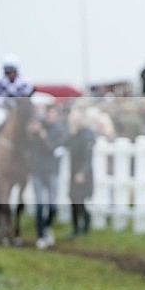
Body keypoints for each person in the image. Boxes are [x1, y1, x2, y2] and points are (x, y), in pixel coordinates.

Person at [26, 104, 67, 249]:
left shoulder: (60, 131)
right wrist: (32, 132)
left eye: (52, 113)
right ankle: (40, 235)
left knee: (52, 205)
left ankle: (47, 227)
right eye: (48, 113)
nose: (49, 115)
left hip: (52, 171)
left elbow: (51, 147)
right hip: (38, 170)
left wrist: (43, 136)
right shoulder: (37, 127)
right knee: (39, 204)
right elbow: (29, 145)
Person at [0, 55, 35, 149]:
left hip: (20, 110)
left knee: (30, 126)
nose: (10, 73)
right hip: (4, 109)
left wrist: (17, 100)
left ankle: (31, 148)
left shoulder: (25, 82)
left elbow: (29, 98)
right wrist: (4, 100)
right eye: (7, 71)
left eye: (12, 71)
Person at [65, 109, 96, 238]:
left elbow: (88, 158)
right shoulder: (74, 135)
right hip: (74, 172)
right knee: (74, 200)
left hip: (82, 173)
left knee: (78, 200)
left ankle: (83, 225)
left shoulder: (87, 136)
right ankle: (77, 227)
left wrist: (82, 173)